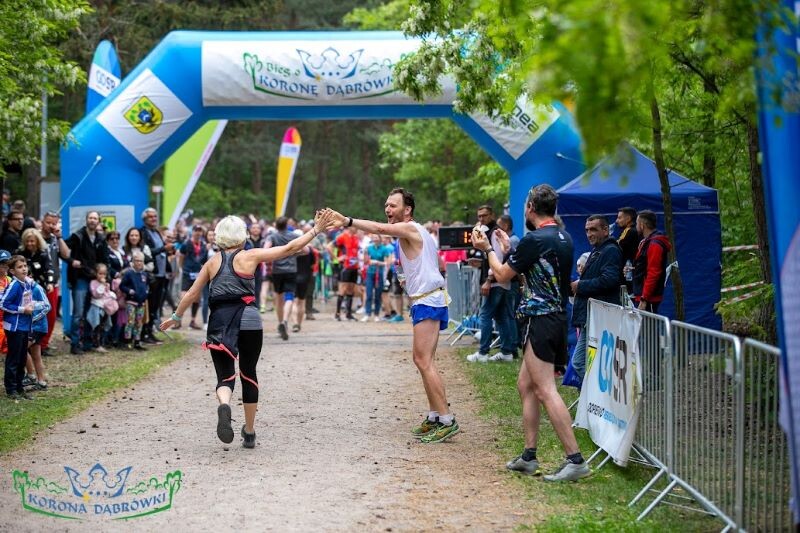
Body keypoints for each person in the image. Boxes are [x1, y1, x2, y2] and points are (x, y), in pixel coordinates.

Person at [160, 210, 336, 449]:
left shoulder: (212, 263)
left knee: (225, 376)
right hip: (250, 320)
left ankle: (224, 404)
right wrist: (316, 230)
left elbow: (191, 293)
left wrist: (175, 317)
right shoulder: (250, 256)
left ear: (219, 237)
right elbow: (289, 249)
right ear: (242, 237)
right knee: (248, 373)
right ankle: (250, 431)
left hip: (219, 323)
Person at [472, 184, 590, 481]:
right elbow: (539, 271)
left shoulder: (535, 239)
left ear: (530, 208)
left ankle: (575, 460)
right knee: (526, 385)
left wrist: (488, 250)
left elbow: (501, 276)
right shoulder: (563, 236)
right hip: (554, 317)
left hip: (540, 319)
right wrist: (512, 251)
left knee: (546, 389)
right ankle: (529, 456)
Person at [329, 189, 460, 444]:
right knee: (423, 361)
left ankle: (447, 419)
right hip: (428, 299)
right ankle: (435, 416)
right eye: (386, 205)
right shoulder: (411, 232)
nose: (388, 209)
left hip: (429, 300)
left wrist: (348, 221)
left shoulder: (410, 229)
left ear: (407, 210)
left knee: (424, 361)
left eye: (393, 205)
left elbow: (379, 228)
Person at [569, 215, 624, 381]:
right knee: (584, 362)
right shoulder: (599, 250)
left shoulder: (611, 250)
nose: (589, 234)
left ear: (605, 230)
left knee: (581, 363)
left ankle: (596, 399)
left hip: (601, 316)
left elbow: (609, 280)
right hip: (591, 315)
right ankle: (592, 401)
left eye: (593, 229)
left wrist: (581, 286)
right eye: (587, 230)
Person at [466, 207, 517, 363]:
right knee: (501, 317)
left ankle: (483, 353)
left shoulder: (495, 233)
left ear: (492, 215)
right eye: (479, 216)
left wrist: (488, 280)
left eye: (484, 216)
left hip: (497, 282)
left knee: (485, 315)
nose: (481, 219)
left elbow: (499, 260)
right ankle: (507, 352)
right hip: (501, 282)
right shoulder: (491, 232)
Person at [65, 210, 109, 355]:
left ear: (98, 221)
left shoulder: (101, 239)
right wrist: (71, 261)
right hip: (80, 279)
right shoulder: (77, 236)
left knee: (92, 312)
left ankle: (88, 343)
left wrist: (104, 278)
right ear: (86, 220)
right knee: (78, 313)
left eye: (95, 218)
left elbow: (104, 259)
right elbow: (62, 250)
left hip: (95, 280)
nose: (92, 220)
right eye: (90, 218)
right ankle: (75, 344)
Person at [1, 256, 39, 400]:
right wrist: (23, 309)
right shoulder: (14, 285)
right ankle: (11, 389)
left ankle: (19, 387)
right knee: (14, 358)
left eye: (25, 266)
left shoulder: (27, 283)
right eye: (19, 267)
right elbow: (4, 304)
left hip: (24, 326)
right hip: (14, 327)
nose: (24, 269)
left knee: (22, 357)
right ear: (12, 271)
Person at [139, 208, 173, 342]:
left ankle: (150, 331)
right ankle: (144, 333)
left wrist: (168, 249)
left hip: (161, 274)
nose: (153, 219)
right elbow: (147, 252)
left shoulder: (156, 232)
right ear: (145, 219)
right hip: (152, 274)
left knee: (156, 305)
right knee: (150, 304)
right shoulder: (143, 233)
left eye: (155, 216)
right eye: (150, 217)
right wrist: (163, 249)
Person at [39, 212, 70, 357]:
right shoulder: (36, 237)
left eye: (54, 223)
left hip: (53, 283)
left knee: (51, 315)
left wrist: (59, 237)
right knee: (37, 314)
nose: (51, 226)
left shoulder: (55, 239)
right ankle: (33, 344)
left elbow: (66, 254)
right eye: (48, 222)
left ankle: (44, 344)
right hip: (37, 283)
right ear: (42, 222)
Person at [265, 217, 300, 340]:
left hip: (277, 271)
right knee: (289, 297)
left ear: (276, 226)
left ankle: (280, 323)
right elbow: (306, 250)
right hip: (291, 270)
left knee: (278, 298)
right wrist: (293, 253)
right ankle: (285, 321)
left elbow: (265, 250)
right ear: (286, 225)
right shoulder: (294, 236)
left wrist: (275, 256)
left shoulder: (272, 237)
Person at [632, 210, 671, 313]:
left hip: (648, 299)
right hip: (642, 295)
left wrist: (644, 298)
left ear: (642, 225)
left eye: (636, 223)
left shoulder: (654, 244)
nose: (635, 226)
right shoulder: (646, 242)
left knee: (648, 328)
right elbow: (645, 266)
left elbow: (654, 272)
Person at [178, 224, 208, 329]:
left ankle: (193, 320)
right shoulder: (186, 244)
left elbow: (204, 259)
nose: (198, 233)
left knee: (197, 298)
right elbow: (181, 257)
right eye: (196, 230)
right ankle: (178, 320)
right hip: (187, 273)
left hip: (198, 274)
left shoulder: (203, 244)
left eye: (200, 231)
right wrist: (182, 268)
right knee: (184, 297)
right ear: (193, 231)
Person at [120, 251, 149, 351]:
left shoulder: (144, 274)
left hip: (141, 303)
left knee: (139, 322)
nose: (139, 263)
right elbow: (122, 286)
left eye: (141, 261)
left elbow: (146, 285)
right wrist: (130, 291)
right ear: (133, 261)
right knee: (130, 321)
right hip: (131, 302)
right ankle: (127, 341)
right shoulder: (129, 273)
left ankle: (137, 341)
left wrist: (146, 292)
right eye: (137, 261)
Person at [86, 264, 117, 353]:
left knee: (103, 326)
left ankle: (102, 343)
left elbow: (107, 294)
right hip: (96, 308)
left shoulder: (107, 284)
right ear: (96, 273)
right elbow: (96, 294)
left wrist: (112, 295)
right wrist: (102, 285)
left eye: (104, 274)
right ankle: (96, 344)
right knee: (96, 326)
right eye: (100, 273)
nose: (102, 276)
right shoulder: (93, 283)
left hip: (105, 308)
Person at [362, 233, 390, 322]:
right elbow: (365, 261)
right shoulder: (369, 248)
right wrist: (367, 257)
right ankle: (367, 313)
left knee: (378, 295)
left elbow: (386, 262)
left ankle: (377, 314)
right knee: (369, 294)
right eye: (373, 237)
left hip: (380, 273)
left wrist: (377, 262)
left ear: (380, 238)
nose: (375, 239)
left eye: (376, 237)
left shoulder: (384, 249)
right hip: (370, 272)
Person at [615, 207, 639, 293]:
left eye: (619, 218)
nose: (617, 221)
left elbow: (617, 248)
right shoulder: (631, 231)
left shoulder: (630, 231)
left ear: (628, 219)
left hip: (629, 275)